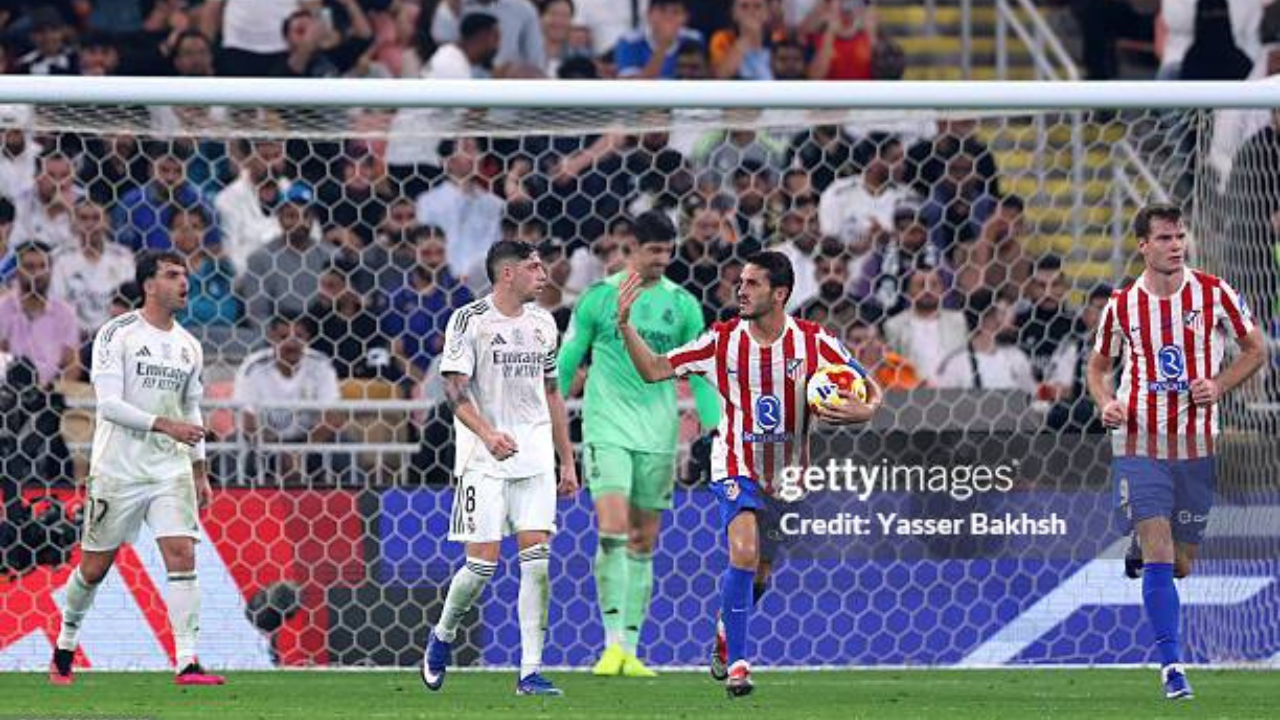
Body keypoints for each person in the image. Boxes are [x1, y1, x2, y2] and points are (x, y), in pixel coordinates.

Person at [616, 250, 882, 696]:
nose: (741, 289)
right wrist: (625, 326)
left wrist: (865, 408)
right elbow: (653, 370)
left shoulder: (814, 342)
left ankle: (725, 635)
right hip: (735, 461)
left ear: (780, 294)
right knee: (742, 551)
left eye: (753, 283)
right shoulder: (720, 340)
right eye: (740, 282)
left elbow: (868, 387)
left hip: (788, 475)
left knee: (759, 575)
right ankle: (739, 664)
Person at [1086, 204, 1266, 700]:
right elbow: (1098, 368)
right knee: (1161, 548)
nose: (1175, 245)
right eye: (1164, 238)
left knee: (1181, 563)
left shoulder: (1214, 292)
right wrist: (1107, 403)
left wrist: (1219, 384)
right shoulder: (1122, 305)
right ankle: (1171, 668)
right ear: (1142, 245)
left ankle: (1142, 552)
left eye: (1179, 236)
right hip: (1141, 441)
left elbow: (1256, 350)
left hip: (1197, 443)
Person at [557, 211, 720, 677]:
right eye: (654, 251)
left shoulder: (684, 305)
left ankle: (630, 648)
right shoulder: (599, 297)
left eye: (669, 251)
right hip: (606, 426)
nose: (663, 260)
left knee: (643, 539)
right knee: (611, 529)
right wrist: (544, 422)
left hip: (658, 431)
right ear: (631, 249)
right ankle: (610, 646)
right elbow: (568, 361)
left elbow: (700, 375)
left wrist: (715, 428)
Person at [49, 250, 224, 686]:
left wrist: (199, 472)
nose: (184, 283)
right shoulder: (117, 334)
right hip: (118, 470)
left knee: (182, 555)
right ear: (149, 284)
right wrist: (166, 425)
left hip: (169, 469)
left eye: (184, 275)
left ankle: (186, 662)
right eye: (172, 275)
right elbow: (108, 405)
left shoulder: (189, 345)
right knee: (93, 569)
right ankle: (65, 645)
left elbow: (192, 407)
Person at [420, 241, 579, 697]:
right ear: (507, 273)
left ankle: (530, 671)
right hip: (483, 461)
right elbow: (453, 391)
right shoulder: (469, 320)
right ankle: (444, 634)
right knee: (480, 568)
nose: (543, 275)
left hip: (534, 460)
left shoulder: (544, 323)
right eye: (534, 267)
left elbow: (552, 394)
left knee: (539, 565)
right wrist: (488, 433)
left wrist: (566, 460)